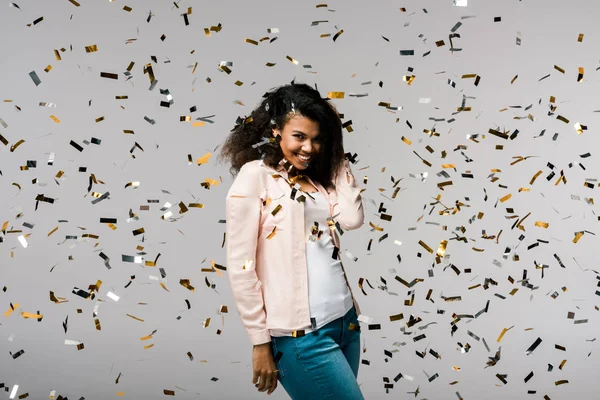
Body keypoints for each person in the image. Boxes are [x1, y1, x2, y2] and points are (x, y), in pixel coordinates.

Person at [218, 81, 365, 399]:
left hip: (345, 323)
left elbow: (352, 219)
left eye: (316, 139)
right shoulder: (255, 177)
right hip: (301, 337)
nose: (308, 148)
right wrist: (260, 341)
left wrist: (336, 153)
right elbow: (241, 266)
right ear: (276, 132)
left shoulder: (317, 177)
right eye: (299, 136)